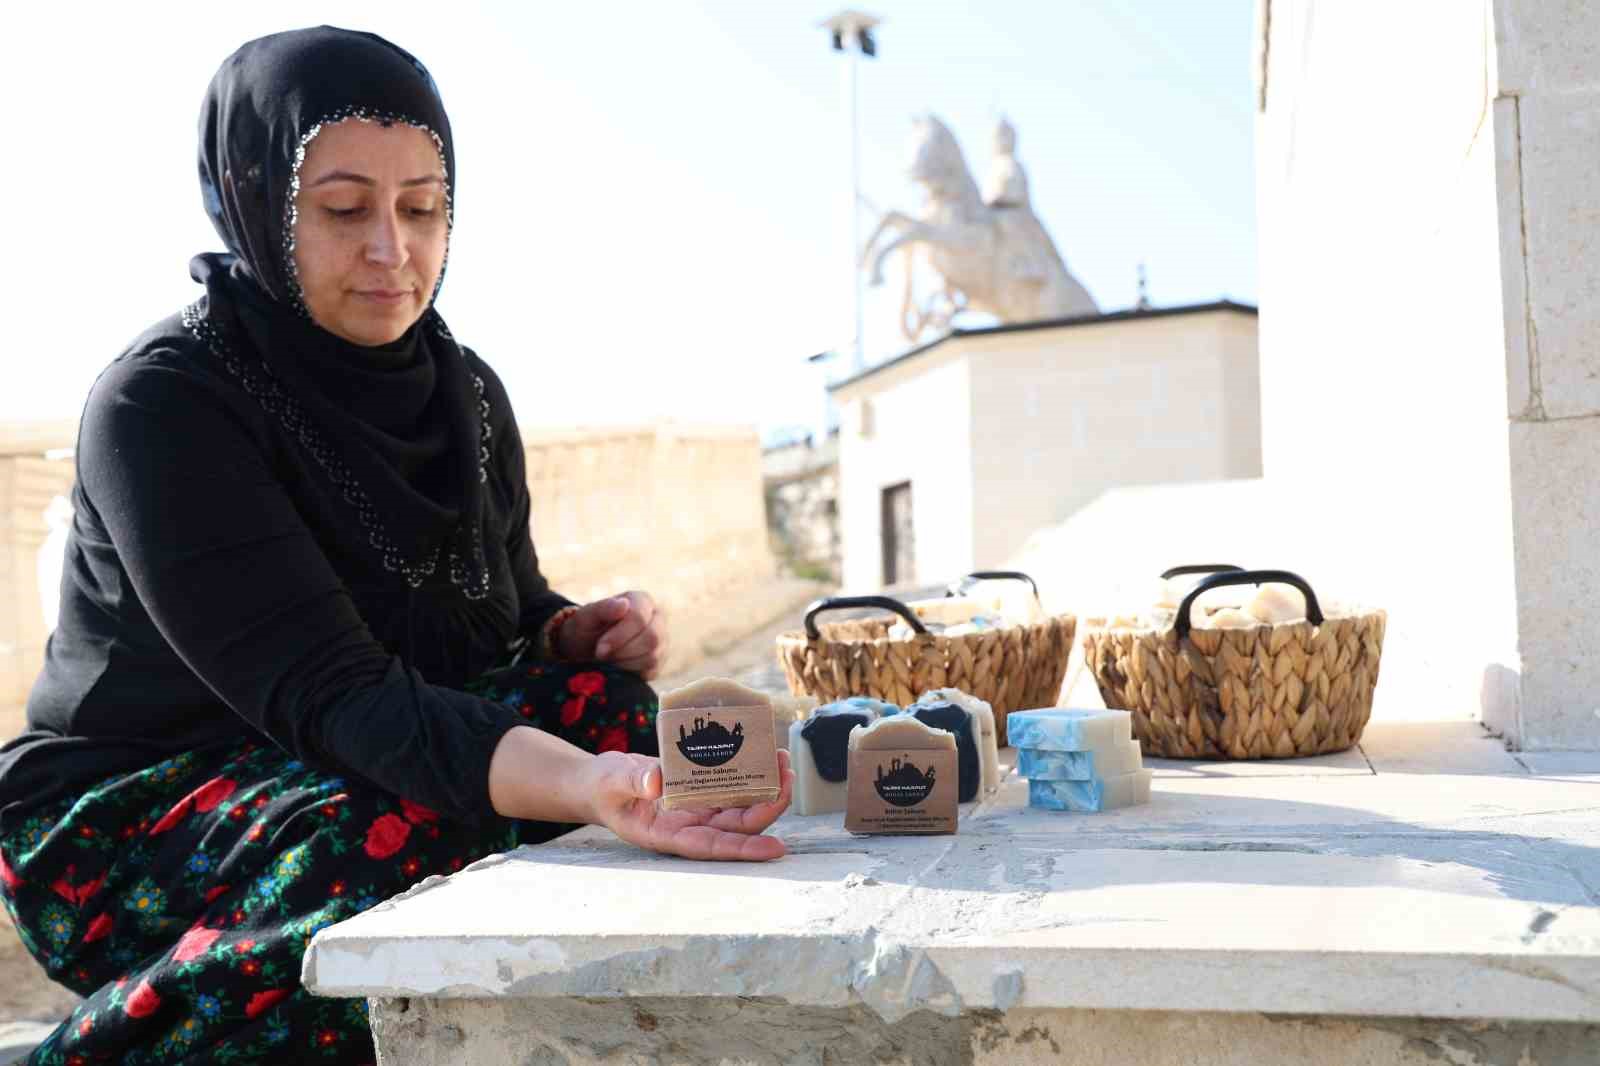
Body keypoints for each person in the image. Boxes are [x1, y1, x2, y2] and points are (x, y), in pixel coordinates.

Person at [0, 26, 792, 1064]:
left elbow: (492, 615)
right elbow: (333, 691)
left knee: (602, 715)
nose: (391, 248)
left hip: (351, 757)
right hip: (134, 812)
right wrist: (595, 789)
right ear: (252, 199)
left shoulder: (464, 393)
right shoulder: (166, 404)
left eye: (422, 208)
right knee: (393, 834)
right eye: (341, 209)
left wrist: (565, 634)